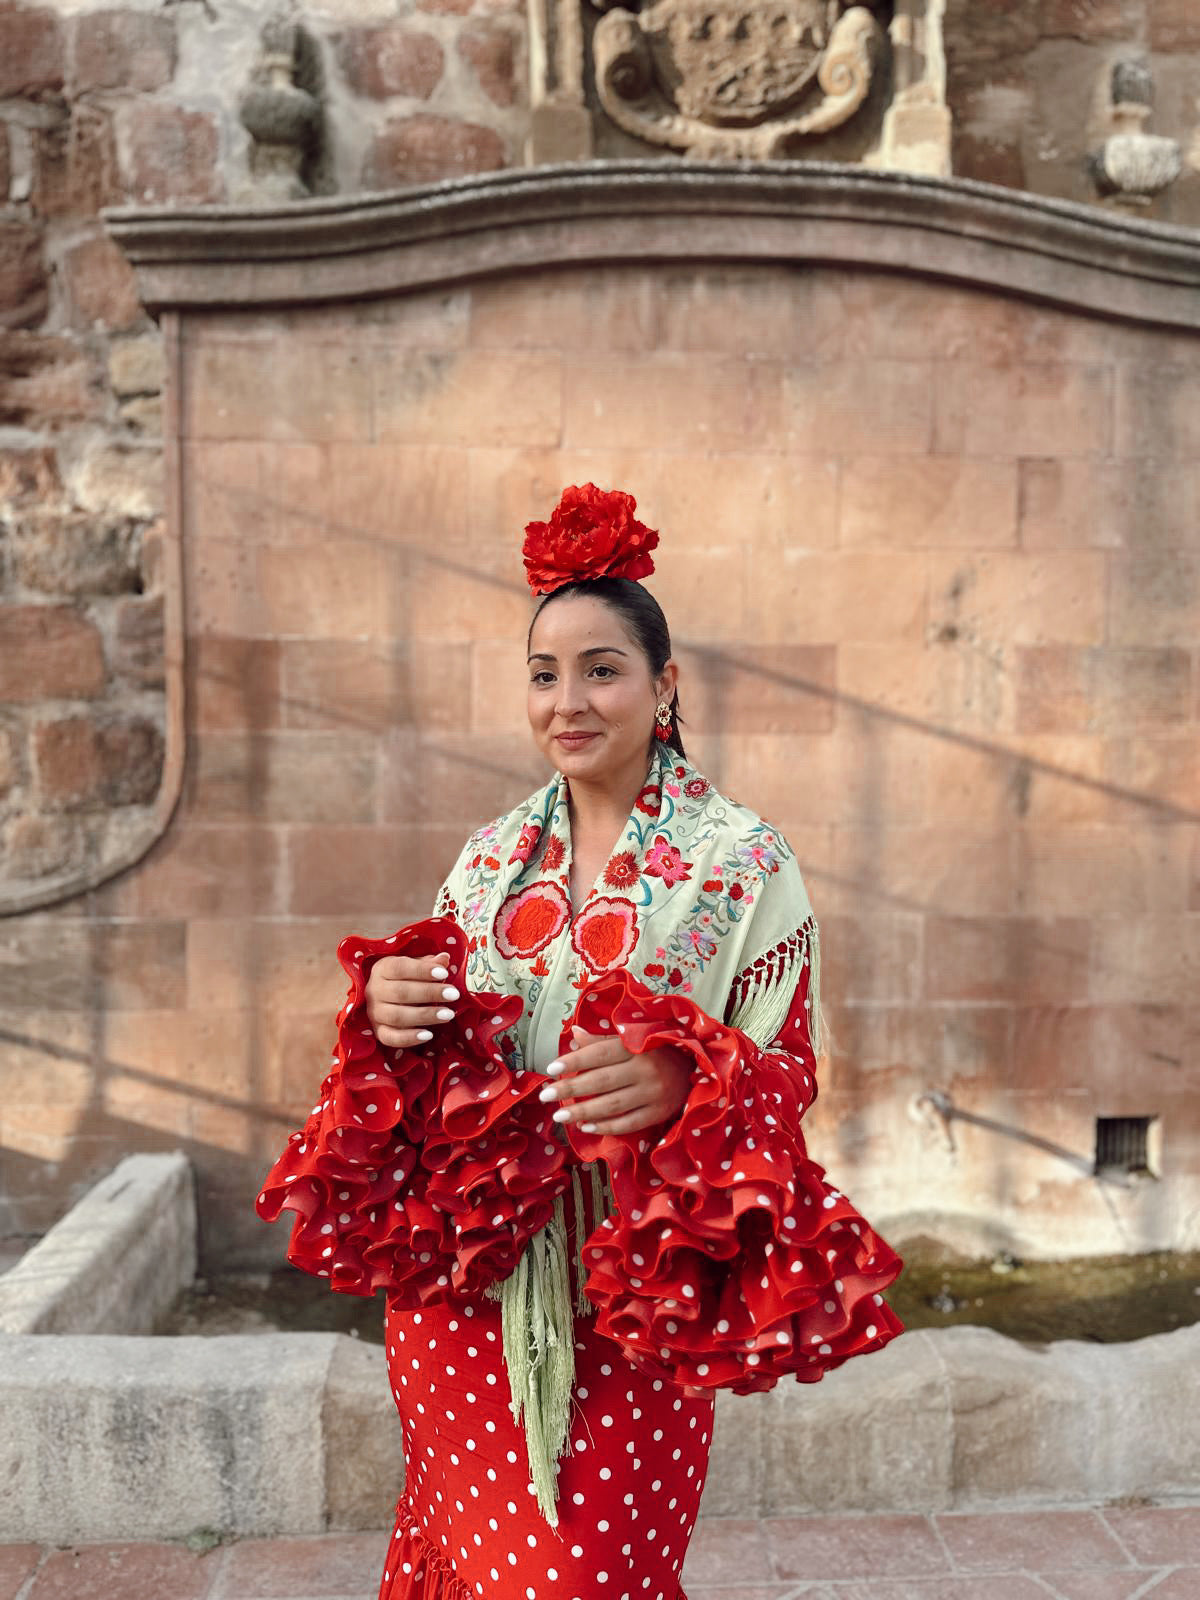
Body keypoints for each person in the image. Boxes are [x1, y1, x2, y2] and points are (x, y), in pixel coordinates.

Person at [256, 483, 905, 1600]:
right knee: (471, 1569)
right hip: (466, 1302)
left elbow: (789, 1074)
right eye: (543, 674)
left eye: (601, 670)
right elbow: (431, 1074)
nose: (568, 702)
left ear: (665, 685)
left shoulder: (742, 863)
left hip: (633, 1297)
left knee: (586, 1578)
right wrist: (390, 1011)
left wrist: (684, 1077)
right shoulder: (488, 858)